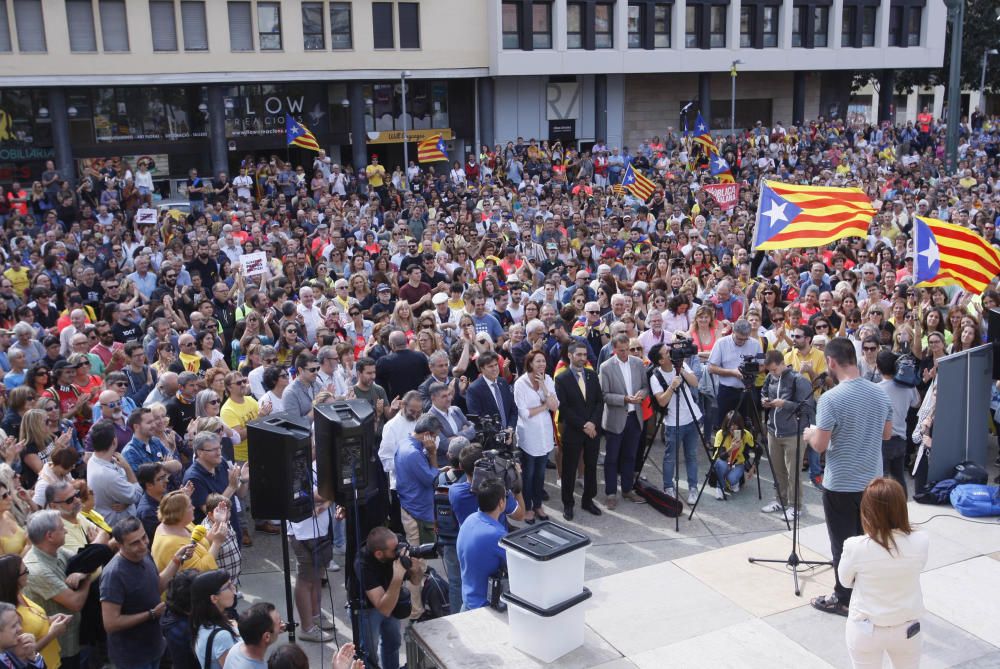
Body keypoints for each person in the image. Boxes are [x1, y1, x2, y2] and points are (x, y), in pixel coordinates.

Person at [804, 337, 893, 617]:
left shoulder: (830, 398)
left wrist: (809, 434)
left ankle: (843, 598)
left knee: (842, 544)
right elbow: (887, 434)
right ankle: (868, 592)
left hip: (841, 483)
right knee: (868, 540)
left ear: (830, 362)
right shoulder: (880, 393)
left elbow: (819, 445)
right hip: (872, 481)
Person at [839, 478, 928, 669]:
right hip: (907, 628)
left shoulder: (855, 546)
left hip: (865, 629)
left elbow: (845, 582)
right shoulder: (921, 540)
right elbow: (917, 567)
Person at [99, 516, 191, 669]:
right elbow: (111, 623)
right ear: (120, 545)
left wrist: (176, 560)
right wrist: (151, 614)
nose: (142, 545)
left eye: (144, 537)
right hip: (133, 657)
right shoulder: (113, 575)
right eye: (135, 543)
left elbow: (157, 586)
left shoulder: (144, 554)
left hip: (155, 646)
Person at [22, 510, 93, 669]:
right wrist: (87, 577)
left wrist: (83, 572)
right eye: (62, 528)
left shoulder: (56, 551)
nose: (66, 530)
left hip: (74, 637)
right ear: (50, 536)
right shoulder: (37, 569)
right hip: (60, 649)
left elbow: (87, 560)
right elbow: (75, 603)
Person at [392, 413, 439, 620]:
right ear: (428, 435)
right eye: (435, 437)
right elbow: (433, 479)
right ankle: (415, 611)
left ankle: (416, 607)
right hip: (417, 514)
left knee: (419, 563)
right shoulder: (413, 453)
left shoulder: (406, 443)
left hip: (412, 508)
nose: (436, 440)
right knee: (417, 566)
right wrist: (433, 454)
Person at [353, 526, 419, 669]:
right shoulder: (363, 563)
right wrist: (397, 576)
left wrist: (414, 566)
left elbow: (416, 580)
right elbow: (385, 609)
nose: (398, 552)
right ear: (379, 554)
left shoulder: (397, 543)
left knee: (393, 643)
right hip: (368, 608)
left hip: (391, 597)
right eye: (393, 550)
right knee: (369, 654)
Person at [761, 349, 815, 520]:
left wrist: (785, 404)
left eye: (775, 369)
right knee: (778, 471)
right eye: (769, 370)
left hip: (794, 433)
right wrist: (764, 400)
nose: (772, 373)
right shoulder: (770, 377)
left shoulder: (799, 380)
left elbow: (808, 407)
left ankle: (796, 506)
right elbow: (763, 392)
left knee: (794, 473)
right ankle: (781, 501)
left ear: (783, 363)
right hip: (773, 431)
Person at [553, 342, 604, 520]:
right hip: (574, 431)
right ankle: (568, 504)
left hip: (592, 431)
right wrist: (584, 425)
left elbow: (599, 402)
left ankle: (588, 500)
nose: (583, 358)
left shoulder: (592, 375)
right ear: (570, 355)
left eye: (585, 355)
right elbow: (564, 408)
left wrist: (592, 423)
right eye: (579, 355)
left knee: (591, 467)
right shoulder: (562, 378)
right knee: (570, 469)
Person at [647, 341, 702, 504]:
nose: (671, 354)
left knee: (691, 455)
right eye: (667, 353)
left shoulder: (682, 364)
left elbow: (695, 383)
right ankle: (668, 487)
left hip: (691, 419)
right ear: (661, 360)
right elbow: (662, 402)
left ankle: (693, 487)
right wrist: (672, 387)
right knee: (670, 457)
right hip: (673, 422)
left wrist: (681, 370)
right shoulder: (655, 376)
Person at [598, 333, 649, 509]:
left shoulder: (637, 363)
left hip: (635, 418)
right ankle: (611, 493)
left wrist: (641, 394)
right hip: (615, 419)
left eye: (627, 349)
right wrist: (625, 399)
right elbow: (604, 395)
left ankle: (627, 490)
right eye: (621, 350)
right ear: (614, 349)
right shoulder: (606, 367)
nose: (625, 353)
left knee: (630, 456)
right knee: (612, 458)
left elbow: (644, 386)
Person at [0, 554, 71, 669]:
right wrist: (52, 634)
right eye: (25, 571)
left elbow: (32, 620)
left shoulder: (19, 595)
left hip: (50, 660)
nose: (29, 573)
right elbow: (21, 653)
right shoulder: (9, 614)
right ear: (13, 578)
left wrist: (49, 620)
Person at [513, 350, 558, 522]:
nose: (541, 364)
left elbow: (555, 406)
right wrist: (544, 406)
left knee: (540, 474)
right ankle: (528, 507)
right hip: (528, 435)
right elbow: (524, 413)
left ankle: (538, 505)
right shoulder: (520, 384)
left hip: (544, 434)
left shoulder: (548, 379)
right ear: (530, 363)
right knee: (528, 474)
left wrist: (545, 389)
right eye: (538, 361)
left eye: (543, 361)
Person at [456, 478, 508, 611]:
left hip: (467, 601)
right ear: (501, 503)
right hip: (484, 609)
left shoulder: (470, 519)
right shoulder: (497, 534)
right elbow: (516, 565)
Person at [876, 351, 921, 496]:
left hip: (882, 440)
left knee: (880, 480)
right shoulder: (908, 386)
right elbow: (917, 403)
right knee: (899, 477)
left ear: (878, 367)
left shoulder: (876, 389)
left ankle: (882, 514)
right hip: (901, 438)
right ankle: (902, 511)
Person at [707, 318, 764, 427]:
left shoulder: (756, 344)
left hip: (748, 390)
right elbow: (711, 368)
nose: (741, 342)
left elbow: (763, 365)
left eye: (745, 339)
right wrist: (732, 372)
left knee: (747, 426)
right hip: (727, 391)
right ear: (733, 331)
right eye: (738, 338)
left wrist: (750, 370)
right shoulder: (721, 343)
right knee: (724, 425)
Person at [86, 419, 142, 527]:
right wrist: (127, 467)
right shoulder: (107, 474)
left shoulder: (94, 458)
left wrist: (126, 502)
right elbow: (136, 495)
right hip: (120, 529)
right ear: (114, 441)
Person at [190, 569, 240, 669]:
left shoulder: (202, 622)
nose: (234, 589)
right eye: (228, 586)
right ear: (214, 598)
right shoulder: (221, 636)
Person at [465, 351, 517, 431]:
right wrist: (500, 434)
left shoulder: (503, 382)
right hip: (490, 438)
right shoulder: (474, 389)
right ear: (482, 369)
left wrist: (510, 429)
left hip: (509, 435)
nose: (495, 369)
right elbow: (477, 418)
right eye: (490, 366)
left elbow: (513, 409)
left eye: (496, 365)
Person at [225, 602, 285, 668]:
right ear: (267, 636)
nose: (282, 624)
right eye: (279, 622)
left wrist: (274, 632)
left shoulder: (236, 648)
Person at [710, 411, 753, 499]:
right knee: (721, 464)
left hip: (737, 463)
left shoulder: (745, 434)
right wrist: (731, 448)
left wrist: (753, 467)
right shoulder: (721, 434)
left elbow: (758, 449)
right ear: (727, 424)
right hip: (723, 462)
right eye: (731, 424)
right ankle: (720, 488)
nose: (733, 428)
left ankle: (730, 481)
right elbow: (721, 456)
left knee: (732, 479)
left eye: (736, 425)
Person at [0, 601, 45, 669]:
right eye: (14, 626)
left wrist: (31, 657)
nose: (20, 629)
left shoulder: (8, 653)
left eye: (18, 623)